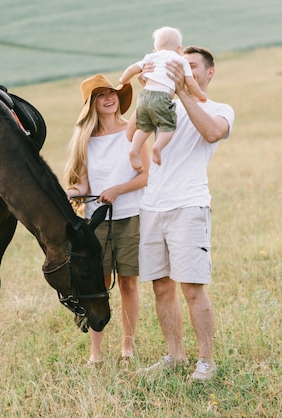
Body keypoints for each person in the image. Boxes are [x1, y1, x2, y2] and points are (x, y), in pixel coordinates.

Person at [136, 46, 235, 381]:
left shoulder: (220, 109)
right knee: (161, 287)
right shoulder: (164, 104)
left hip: (188, 205)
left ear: (209, 72)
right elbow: (133, 135)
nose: (184, 71)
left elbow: (211, 132)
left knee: (192, 287)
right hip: (151, 205)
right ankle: (174, 356)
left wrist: (182, 89)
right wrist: (149, 88)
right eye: (180, 66)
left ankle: (206, 361)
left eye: (192, 67)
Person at [64, 74, 150, 365]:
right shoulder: (86, 140)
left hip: (131, 216)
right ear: (92, 104)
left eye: (112, 92)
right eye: (101, 95)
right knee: (97, 284)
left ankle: (128, 345)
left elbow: (146, 176)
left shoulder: (133, 131)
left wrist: (118, 190)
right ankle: (96, 352)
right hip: (96, 222)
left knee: (128, 283)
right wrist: (65, 193)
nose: (109, 98)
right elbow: (84, 187)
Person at [119, 26, 207, 171]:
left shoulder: (151, 57)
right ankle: (157, 147)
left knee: (144, 127)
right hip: (162, 97)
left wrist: (124, 80)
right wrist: (200, 95)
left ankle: (134, 150)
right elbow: (190, 82)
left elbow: (132, 69)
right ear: (179, 48)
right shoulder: (179, 60)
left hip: (144, 97)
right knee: (168, 127)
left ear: (155, 49)